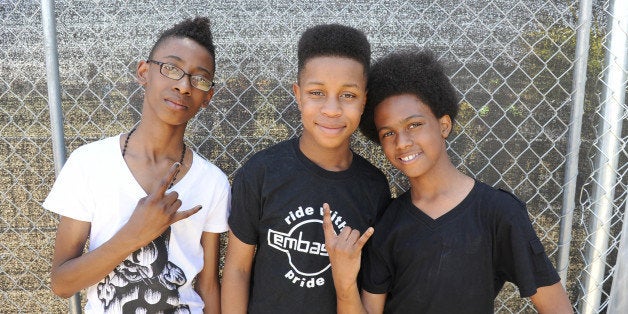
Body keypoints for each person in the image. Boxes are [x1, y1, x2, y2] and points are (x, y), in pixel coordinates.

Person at [323, 50, 574, 313]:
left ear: (443, 125)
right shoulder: (388, 223)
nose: (402, 142)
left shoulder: (498, 213)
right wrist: (345, 281)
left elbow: (557, 307)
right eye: (388, 133)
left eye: (414, 125)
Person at [43, 17, 229, 313]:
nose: (183, 85)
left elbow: (207, 286)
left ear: (208, 96)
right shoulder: (89, 163)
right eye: (171, 68)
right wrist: (135, 234)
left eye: (199, 78)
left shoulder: (213, 182)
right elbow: (62, 284)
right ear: (144, 72)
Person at [221, 24, 391, 314]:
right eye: (317, 92)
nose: (332, 109)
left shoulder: (374, 188)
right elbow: (237, 269)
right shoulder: (262, 172)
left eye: (348, 95)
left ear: (365, 99)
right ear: (298, 94)